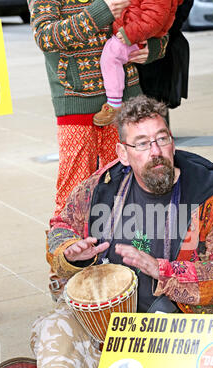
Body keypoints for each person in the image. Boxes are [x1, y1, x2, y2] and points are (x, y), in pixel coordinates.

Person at [0, 95, 213, 368]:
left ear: (172, 141)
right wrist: (71, 253)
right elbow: (60, 226)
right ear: (122, 153)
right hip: (112, 330)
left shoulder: (210, 197)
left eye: (162, 138)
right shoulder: (100, 188)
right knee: (52, 326)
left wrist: (164, 270)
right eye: (142, 143)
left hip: (180, 324)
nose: (156, 151)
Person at [27, 0, 169, 299]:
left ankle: (138, 260)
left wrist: (152, 49)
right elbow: (46, 37)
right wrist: (101, 11)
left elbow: (156, 16)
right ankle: (64, 267)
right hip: (75, 103)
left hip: (126, 104)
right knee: (74, 189)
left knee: (132, 183)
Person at [93, 0, 183, 126]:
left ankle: (114, 102)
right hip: (129, 32)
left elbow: (155, 19)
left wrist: (131, 34)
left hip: (134, 38)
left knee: (112, 56)